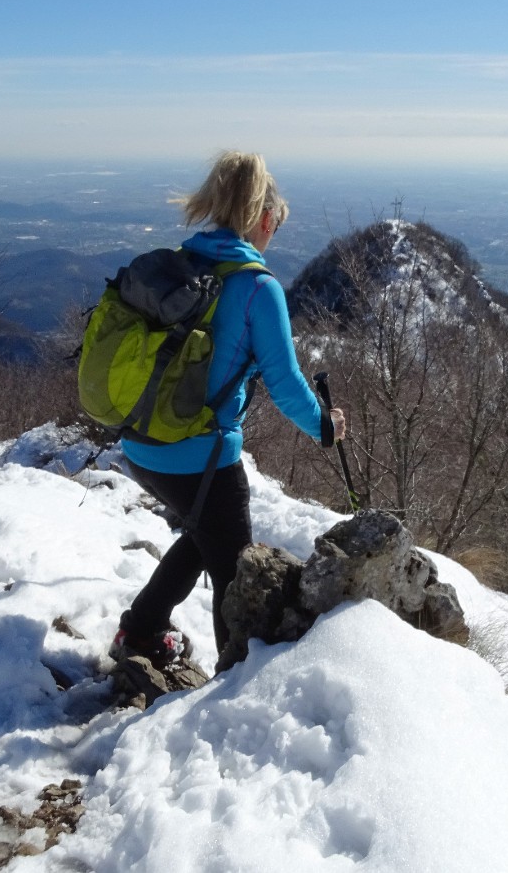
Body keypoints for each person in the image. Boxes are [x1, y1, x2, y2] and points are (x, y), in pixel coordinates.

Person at [113, 150, 347, 664]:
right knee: (234, 574)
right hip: (202, 457)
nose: (270, 239)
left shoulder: (180, 266)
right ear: (264, 219)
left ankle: (141, 630)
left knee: (203, 535)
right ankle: (231, 682)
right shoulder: (257, 287)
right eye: (274, 228)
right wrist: (325, 428)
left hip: (140, 445)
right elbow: (285, 384)